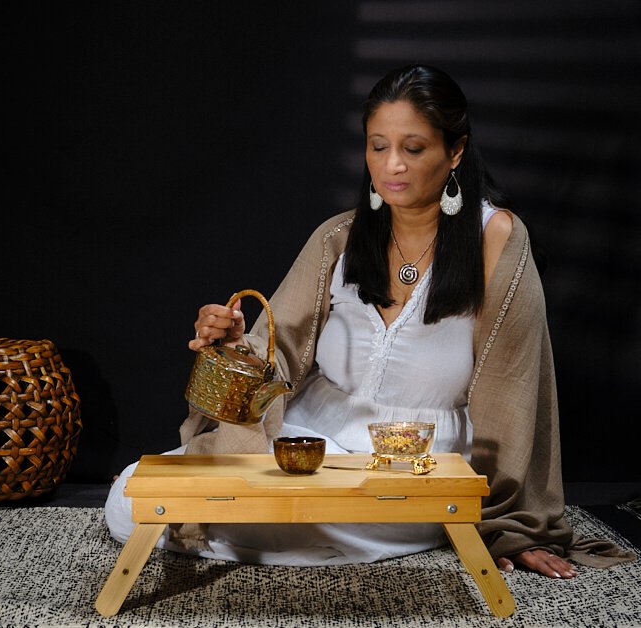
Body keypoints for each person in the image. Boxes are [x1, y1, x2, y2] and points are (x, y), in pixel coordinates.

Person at [105, 64, 635, 577]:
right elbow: (276, 354)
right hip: (306, 444)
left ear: (456, 151)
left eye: (413, 148)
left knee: (251, 520)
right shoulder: (339, 237)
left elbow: (514, 388)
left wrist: (508, 520)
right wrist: (235, 344)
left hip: (414, 467)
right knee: (130, 494)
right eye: (378, 146)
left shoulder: (495, 240)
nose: (392, 166)